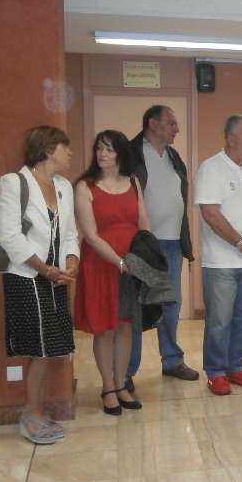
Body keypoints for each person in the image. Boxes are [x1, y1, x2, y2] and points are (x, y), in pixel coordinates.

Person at [0, 126, 79, 443]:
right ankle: (30, 415)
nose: (69, 152)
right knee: (40, 348)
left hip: (55, 278)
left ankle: (37, 411)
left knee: (51, 348)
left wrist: (71, 261)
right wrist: (45, 270)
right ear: (46, 150)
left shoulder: (64, 187)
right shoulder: (13, 183)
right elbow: (9, 236)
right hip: (27, 276)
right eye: (64, 147)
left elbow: (69, 233)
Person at [195, 114, 242, 395]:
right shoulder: (211, 168)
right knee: (220, 319)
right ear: (230, 139)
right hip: (221, 261)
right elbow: (210, 213)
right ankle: (216, 371)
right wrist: (241, 243)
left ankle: (235, 366)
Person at [74, 130, 148, 415]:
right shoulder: (85, 186)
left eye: (108, 149)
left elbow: (144, 223)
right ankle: (108, 388)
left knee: (126, 326)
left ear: (121, 153)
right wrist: (119, 262)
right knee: (105, 329)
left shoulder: (133, 182)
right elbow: (91, 236)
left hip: (131, 264)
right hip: (101, 265)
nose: (102, 154)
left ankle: (121, 384)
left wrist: (144, 257)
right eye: (99, 149)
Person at [127, 105, 198, 389]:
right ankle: (126, 371)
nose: (176, 129)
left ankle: (172, 361)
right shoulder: (131, 153)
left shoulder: (173, 156)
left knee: (171, 304)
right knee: (135, 307)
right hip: (142, 246)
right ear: (153, 124)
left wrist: (186, 244)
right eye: (171, 123)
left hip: (172, 244)